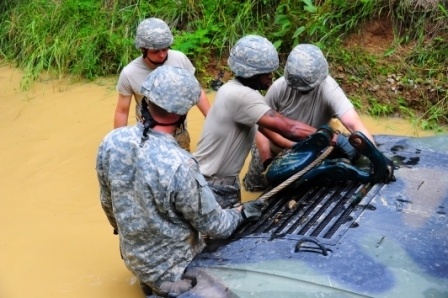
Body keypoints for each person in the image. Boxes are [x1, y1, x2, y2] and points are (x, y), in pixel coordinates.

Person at [96, 66, 263, 297]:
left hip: (134, 260)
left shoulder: (111, 142)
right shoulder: (180, 164)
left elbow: (107, 202)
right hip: (177, 273)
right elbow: (215, 226)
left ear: (146, 100)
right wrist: (241, 212)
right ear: (181, 114)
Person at [193, 35, 321, 209]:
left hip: (219, 183)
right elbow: (288, 128)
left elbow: (273, 136)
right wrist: (331, 136)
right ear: (251, 74)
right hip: (213, 187)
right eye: (265, 73)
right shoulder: (243, 96)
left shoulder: (232, 90)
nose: (271, 77)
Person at [243, 43, 376, 192]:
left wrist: (376, 158)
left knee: (295, 193)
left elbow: (354, 124)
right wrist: (267, 161)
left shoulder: (329, 89)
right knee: (255, 188)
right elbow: (260, 127)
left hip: (307, 151)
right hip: (271, 148)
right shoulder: (279, 88)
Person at [114, 17, 210, 151]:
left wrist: (211, 118)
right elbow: (122, 111)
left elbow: (197, 92)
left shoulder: (179, 59)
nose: (162, 55)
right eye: (155, 51)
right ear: (143, 49)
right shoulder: (129, 73)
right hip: (148, 134)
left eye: (165, 49)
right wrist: (120, 144)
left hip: (178, 132)